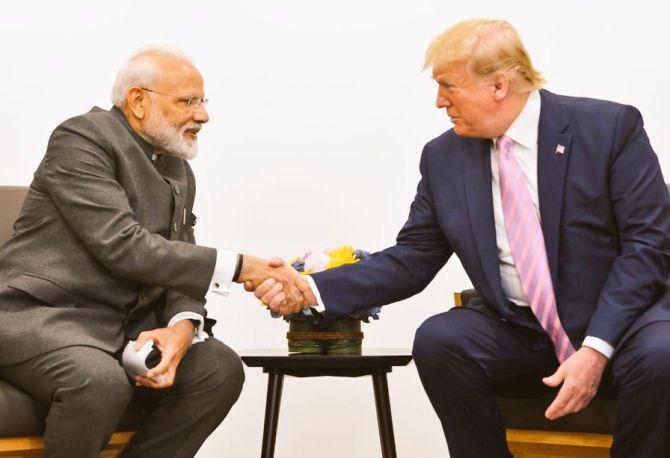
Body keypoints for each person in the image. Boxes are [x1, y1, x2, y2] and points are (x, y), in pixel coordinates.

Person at [254, 19, 670, 457]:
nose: (438, 102)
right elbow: (413, 257)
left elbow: (648, 247)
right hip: (524, 332)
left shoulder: (608, 129)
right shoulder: (444, 157)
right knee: (441, 340)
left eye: (448, 86)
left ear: (498, 85)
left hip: (622, 327)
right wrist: (310, 290)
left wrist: (596, 348)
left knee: (664, 354)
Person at [0, 46, 305, 458]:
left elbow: (179, 257)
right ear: (138, 101)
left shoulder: (177, 168)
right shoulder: (82, 138)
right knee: (98, 381)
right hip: (42, 318)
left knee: (218, 368)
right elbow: (123, 245)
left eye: (203, 101)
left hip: (123, 332)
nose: (202, 115)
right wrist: (241, 267)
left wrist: (182, 327)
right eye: (187, 101)